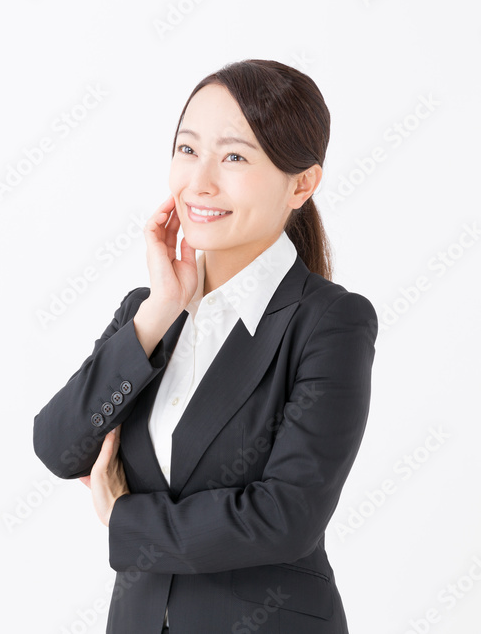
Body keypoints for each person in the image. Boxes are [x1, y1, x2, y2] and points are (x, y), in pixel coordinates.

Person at [32, 59, 377, 634]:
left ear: (302, 183)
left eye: (235, 156)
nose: (200, 182)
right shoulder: (149, 312)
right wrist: (156, 315)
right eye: (187, 150)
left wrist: (126, 518)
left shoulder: (329, 323)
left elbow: (285, 516)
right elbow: (59, 446)